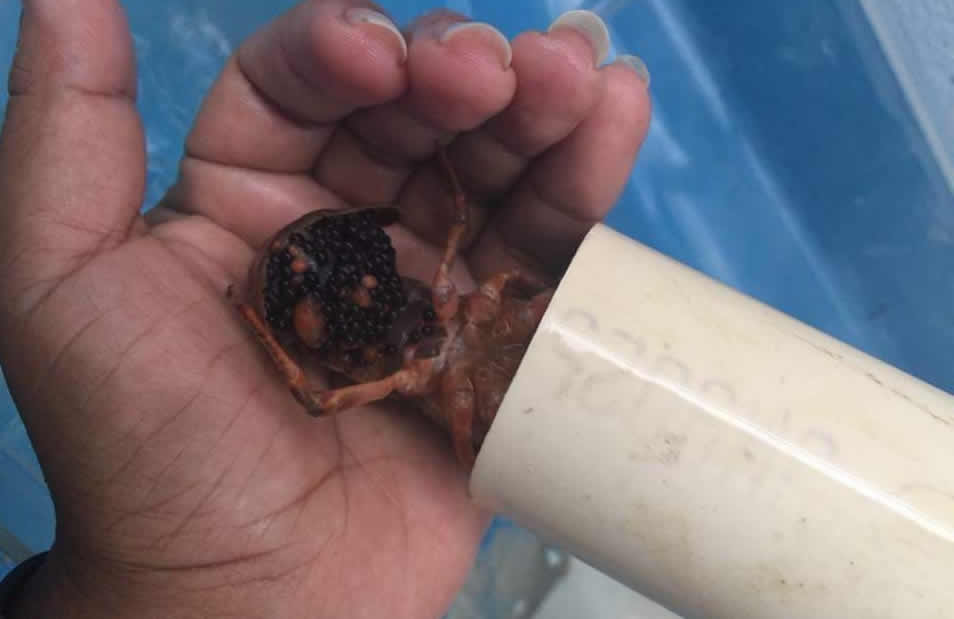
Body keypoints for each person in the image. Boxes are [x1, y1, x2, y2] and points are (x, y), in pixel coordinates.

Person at [0, 1, 650, 616]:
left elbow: (338, 395)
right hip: (368, 319)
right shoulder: (462, 326)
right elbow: (340, 388)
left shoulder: (461, 359)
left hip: (378, 327)